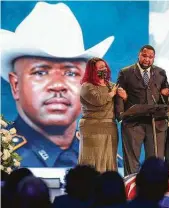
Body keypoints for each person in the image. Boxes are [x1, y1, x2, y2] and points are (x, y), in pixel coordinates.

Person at [0, 2, 114, 167]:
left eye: (71, 73)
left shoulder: (104, 160)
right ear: (15, 85)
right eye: (40, 72)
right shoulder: (4, 155)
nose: (58, 85)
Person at [116, 44, 169, 176]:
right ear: (139, 55)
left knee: (155, 161)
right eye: (144, 56)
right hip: (133, 122)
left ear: (154, 58)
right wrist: (120, 115)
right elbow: (119, 94)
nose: (147, 59)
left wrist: (165, 93)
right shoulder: (126, 72)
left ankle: (154, 189)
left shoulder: (161, 72)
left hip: (155, 122)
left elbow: (166, 94)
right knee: (131, 159)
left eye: (151, 57)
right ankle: (131, 191)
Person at [78, 57, 127, 172]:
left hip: (110, 127)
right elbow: (99, 100)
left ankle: (107, 186)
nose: (104, 70)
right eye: (100, 68)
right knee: (92, 160)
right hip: (92, 127)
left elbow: (119, 107)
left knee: (109, 159)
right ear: (92, 71)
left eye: (105, 67)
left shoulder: (111, 85)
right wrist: (112, 93)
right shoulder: (87, 86)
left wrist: (125, 97)